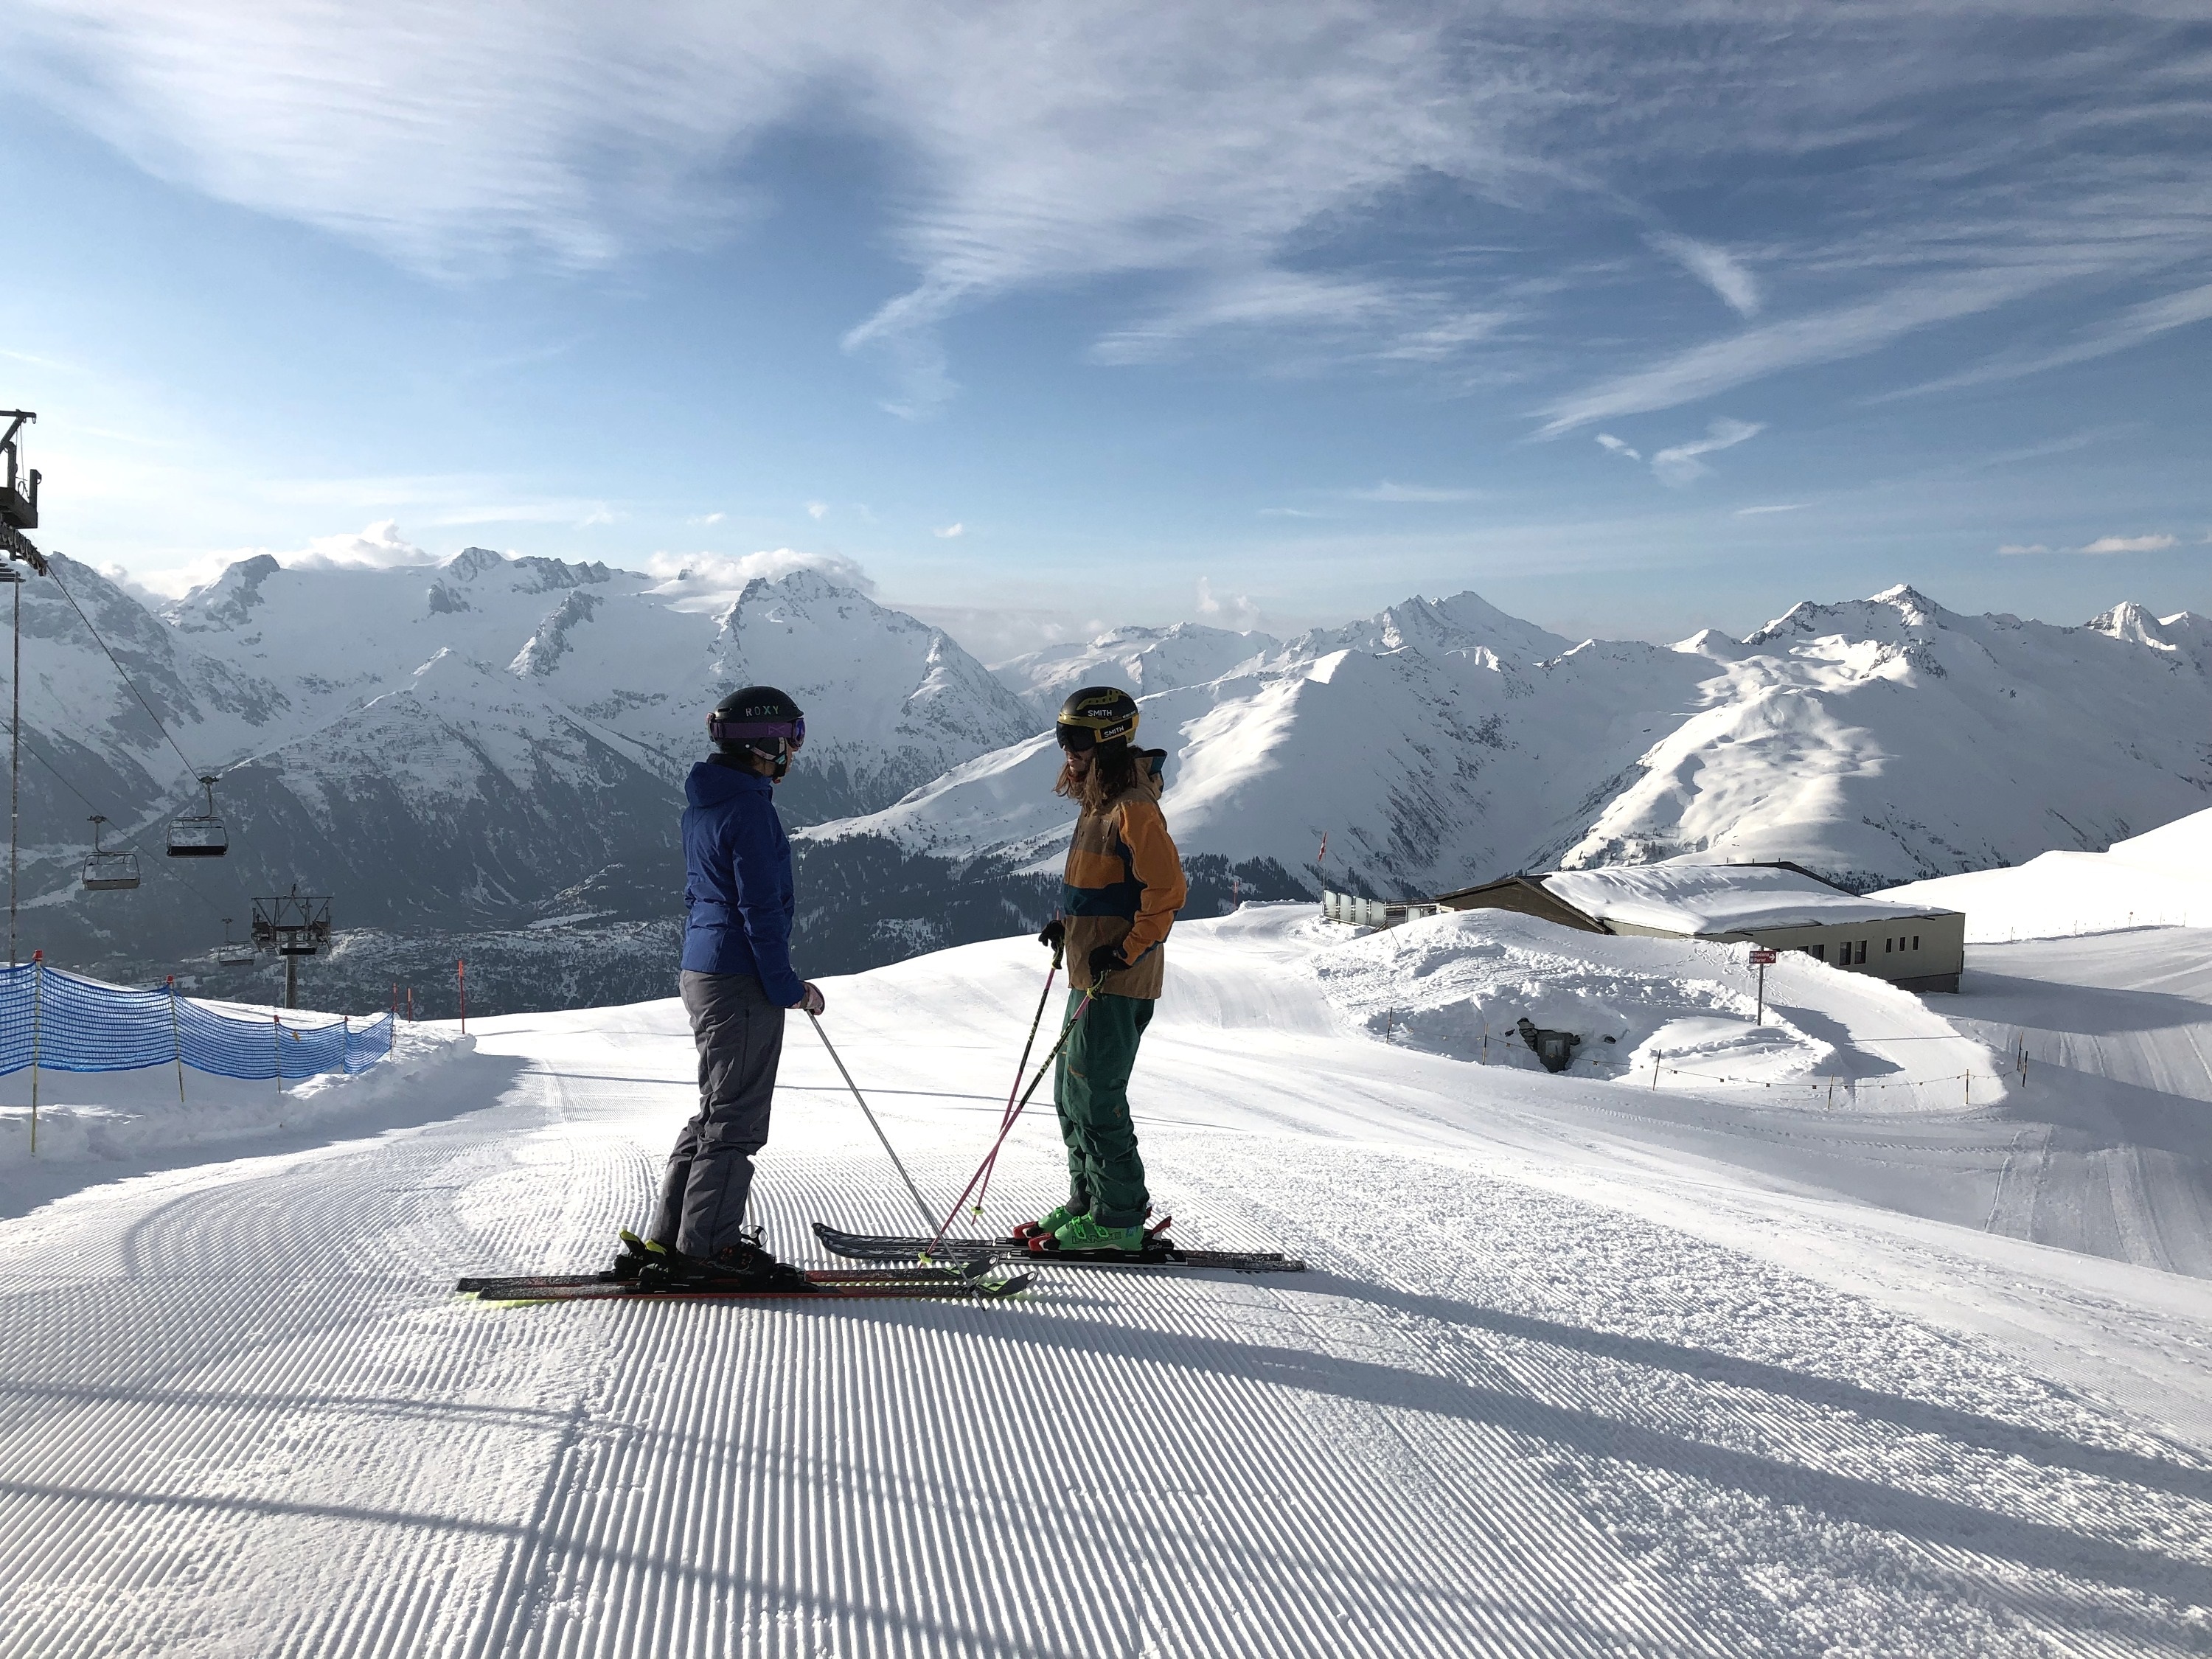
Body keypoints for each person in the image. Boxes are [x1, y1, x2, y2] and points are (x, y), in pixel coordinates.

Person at [636, 685, 825, 1284]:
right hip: (740, 975)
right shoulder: (749, 809)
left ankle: (671, 1239)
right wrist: (787, 987)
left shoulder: (705, 803)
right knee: (737, 1118)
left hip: (704, 967)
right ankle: (708, 1249)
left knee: (716, 1111)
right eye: (791, 738)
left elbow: (703, 896)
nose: (794, 751)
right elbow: (760, 910)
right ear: (766, 743)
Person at [1024, 686, 1186, 1253]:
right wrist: (1068, 927)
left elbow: (1167, 892)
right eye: (1063, 737)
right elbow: (1105, 887)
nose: (1066, 750)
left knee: (1096, 1095)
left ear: (1108, 741)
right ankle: (1089, 1201)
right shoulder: (1101, 799)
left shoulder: (1134, 807)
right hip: (1089, 973)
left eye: (1076, 739)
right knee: (1069, 1096)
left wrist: (1124, 950)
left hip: (1117, 979)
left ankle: (1118, 1216)